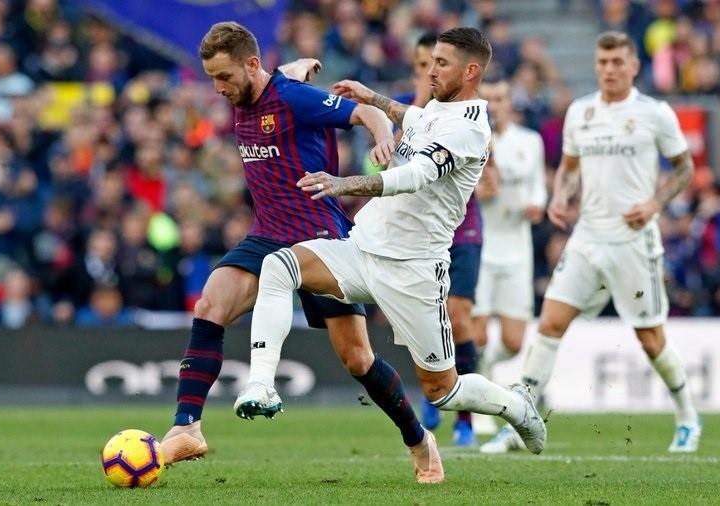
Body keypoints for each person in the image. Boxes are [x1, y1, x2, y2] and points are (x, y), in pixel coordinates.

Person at [233, 27, 546, 484]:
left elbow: (414, 176)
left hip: (414, 269)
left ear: (472, 71)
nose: (431, 69)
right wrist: (371, 97)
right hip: (363, 248)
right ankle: (262, 383)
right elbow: (412, 118)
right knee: (279, 266)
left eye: (442, 63)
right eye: (431, 60)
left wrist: (345, 184)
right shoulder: (440, 110)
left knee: (444, 390)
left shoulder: (470, 128)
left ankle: (517, 406)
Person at [160, 22, 431, 474]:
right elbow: (278, 73)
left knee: (358, 359)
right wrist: (301, 65)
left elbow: (364, 113)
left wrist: (384, 135)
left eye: (224, 76)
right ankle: (187, 428)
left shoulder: (292, 98)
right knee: (210, 304)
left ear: (250, 65)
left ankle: (420, 441)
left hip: (319, 238)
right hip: (267, 235)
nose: (218, 87)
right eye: (211, 77)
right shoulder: (256, 87)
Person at [481, 31, 701, 454]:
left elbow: (685, 168)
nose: (609, 70)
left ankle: (688, 417)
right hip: (587, 237)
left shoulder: (655, 113)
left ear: (634, 66)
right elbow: (567, 169)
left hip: (634, 241)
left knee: (651, 340)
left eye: (618, 62)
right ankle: (520, 423)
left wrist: (655, 203)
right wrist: (562, 197)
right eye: (603, 63)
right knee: (549, 325)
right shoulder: (580, 112)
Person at [398, 32, 486, 447]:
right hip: (413, 231)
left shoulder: (465, 118)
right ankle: (436, 385)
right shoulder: (411, 111)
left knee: (458, 314)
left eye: (435, 64)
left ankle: (465, 418)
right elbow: (386, 162)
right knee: (419, 321)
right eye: (422, 64)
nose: (428, 71)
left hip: (460, 226)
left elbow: (484, 165)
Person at [470, 79, 547, 436]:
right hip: (482, 248)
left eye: (501, 98)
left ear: (509, 102)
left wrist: (537, 206)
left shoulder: (529, 142)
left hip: (517, 250)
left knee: (514, 342)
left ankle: (486, 372)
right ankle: (481, 403)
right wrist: (480, 191)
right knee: (479, 333)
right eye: (490, 100)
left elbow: (538, 190)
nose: (495, 105)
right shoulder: (471, 141)